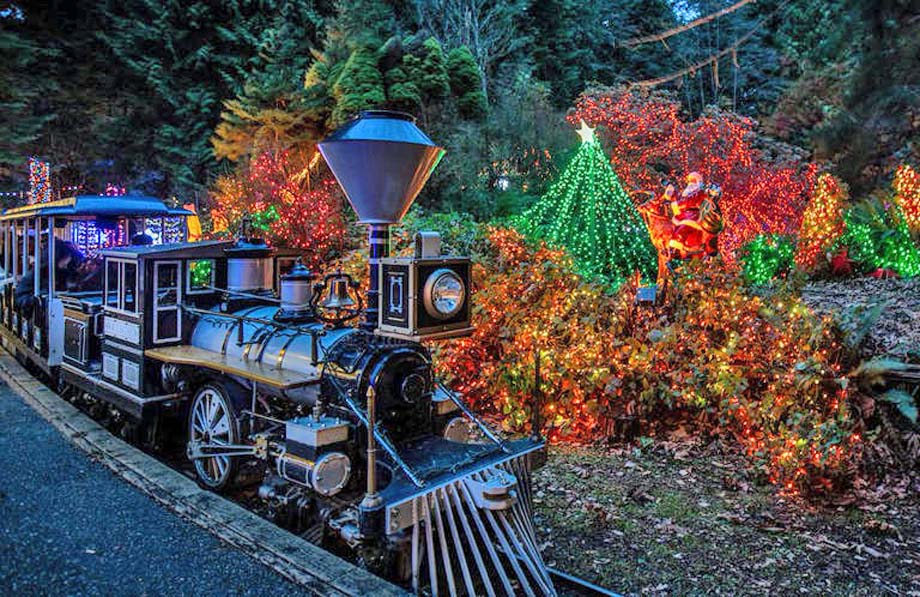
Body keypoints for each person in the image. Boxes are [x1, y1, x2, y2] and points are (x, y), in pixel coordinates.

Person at [15, 238, 85, 317]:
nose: (66, 263)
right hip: (41, 316)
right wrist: (39, 299)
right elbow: (20, 299)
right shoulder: (36, 275)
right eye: (64, 259)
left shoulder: (67, 273)